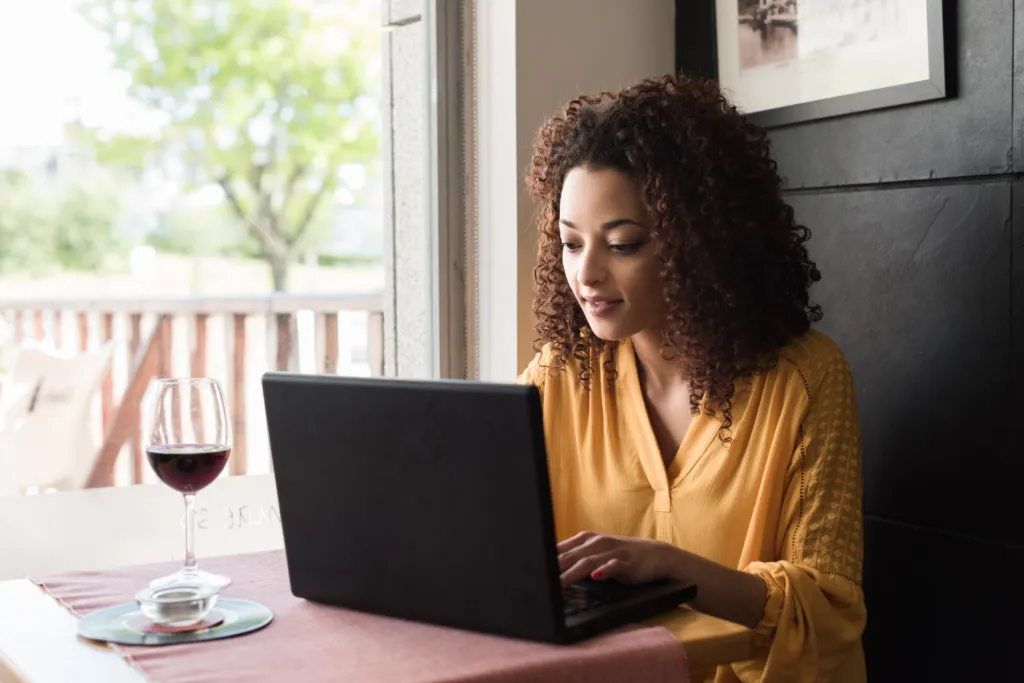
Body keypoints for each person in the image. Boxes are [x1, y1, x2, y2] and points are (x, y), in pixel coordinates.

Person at [517, 74, 866, 683]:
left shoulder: (804, 379)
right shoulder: (560, 376)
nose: (587, 273)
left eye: (623, 244)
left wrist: (674, 570)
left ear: (700, 243)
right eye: (571, 244)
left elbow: (828, 609)